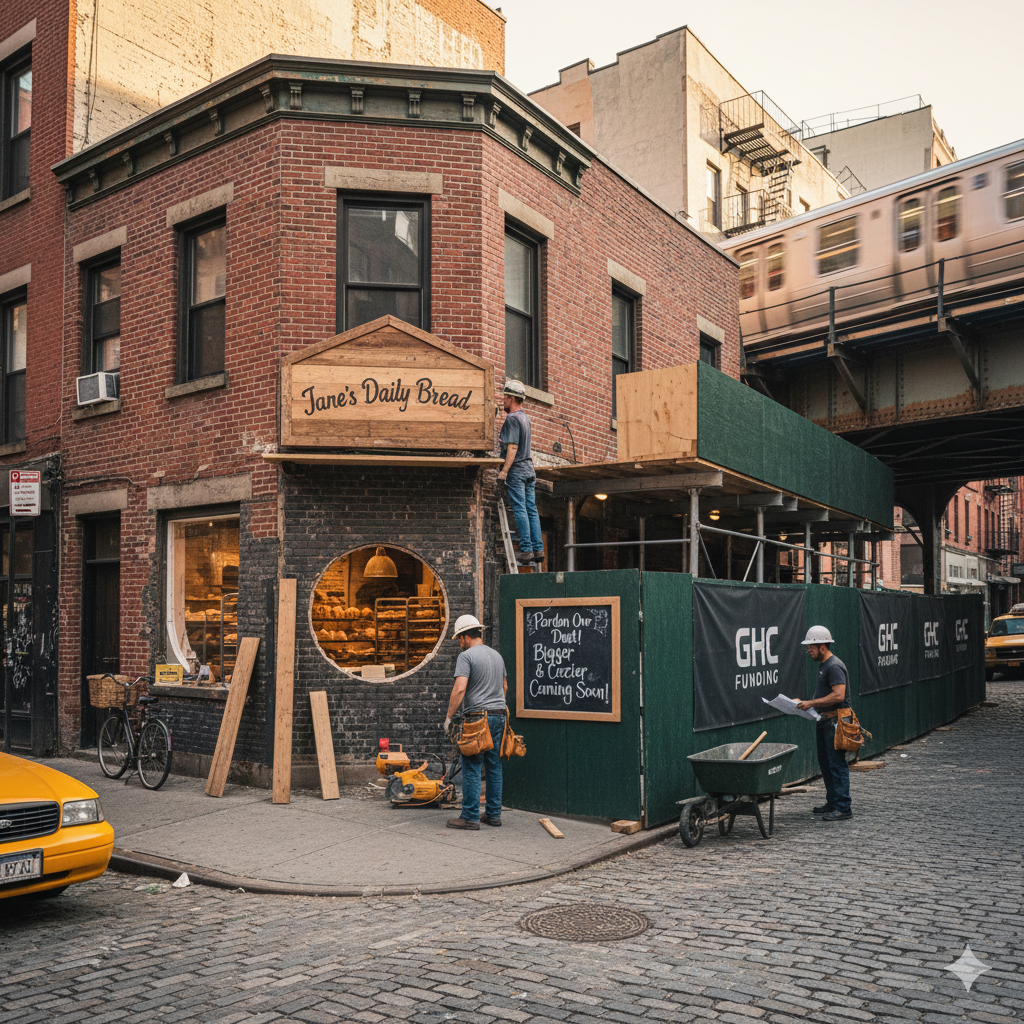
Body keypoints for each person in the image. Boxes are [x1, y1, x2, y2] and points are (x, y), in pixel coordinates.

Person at [444, 614, 508, 830]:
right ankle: (493, 815)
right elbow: (504, 687)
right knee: (494, 766)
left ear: (464, 637)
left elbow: (460, 688)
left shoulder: (467, 656)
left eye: (458, 640)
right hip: (499, 715)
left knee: (471, 766)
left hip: (477, 717)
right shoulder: (497, 656)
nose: (459, 645)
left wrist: (449, 717)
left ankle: (470, 817)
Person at [796, 625, 853, 821]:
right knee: (826, 764)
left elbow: (839, 695)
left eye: (811, 646)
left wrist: (810, 703)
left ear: (822, 646)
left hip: (835, 722)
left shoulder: (834, 666)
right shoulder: (824, 665)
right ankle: (833, 802)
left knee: (837, 764)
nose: (808, 650)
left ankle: (843, 807)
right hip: (824, 721)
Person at [497, 379, 544, 566]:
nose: (503, 401)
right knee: (531, 509)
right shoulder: (525, 418)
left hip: (516, 469)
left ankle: (525, 550)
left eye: (505, 397)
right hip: (529, 469)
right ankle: (538, 548)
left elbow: (513, 447)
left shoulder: (512, 419)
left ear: (512, 398)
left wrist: (504, 471)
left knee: (520, 509)